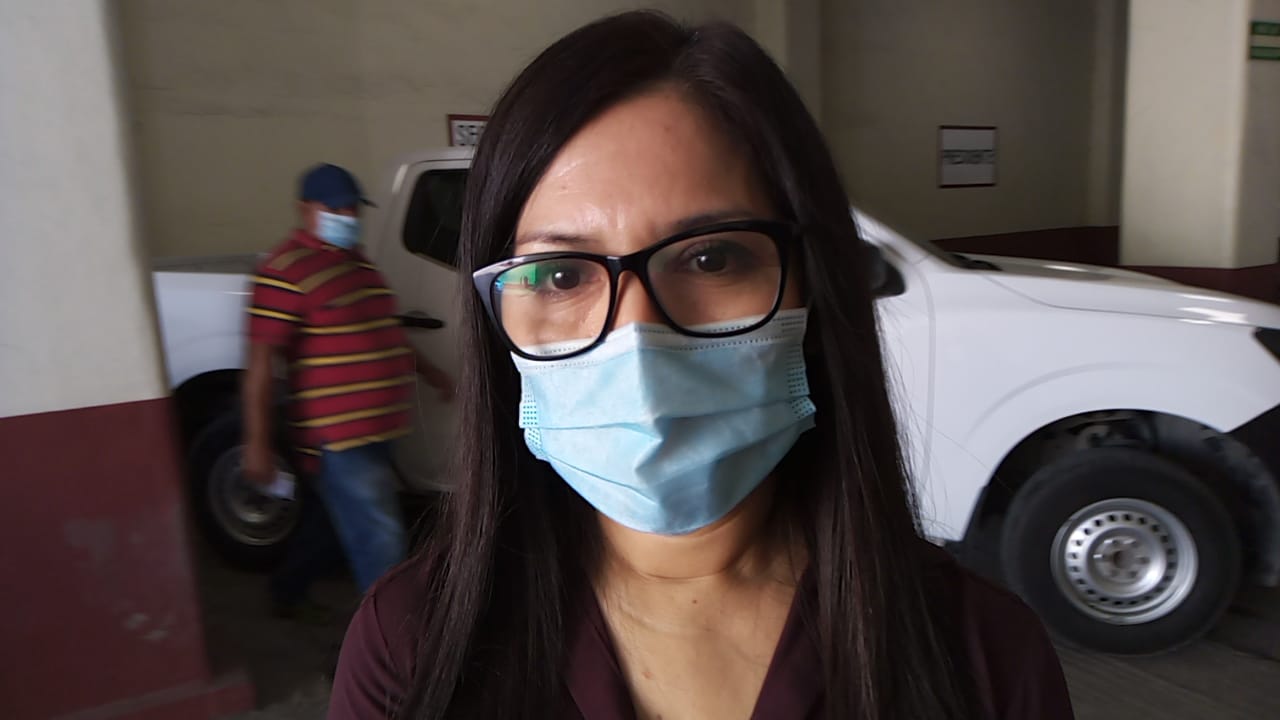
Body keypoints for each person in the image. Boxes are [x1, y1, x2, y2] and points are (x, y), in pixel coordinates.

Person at [331, 11, 1074, 720]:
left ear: (814, 288)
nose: (638, 339)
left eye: (712, 259)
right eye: (560, 275)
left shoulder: (985, 655)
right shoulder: (409, 644)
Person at [242, 163, 453, 619]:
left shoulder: (357, 263)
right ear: (305, 209)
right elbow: (260, 365)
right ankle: (394, 644)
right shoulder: (283, 270)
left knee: (330, 526)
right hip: (337, 437)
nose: (347, 216)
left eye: (353, 208)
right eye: (335, 208)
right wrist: (256, 443)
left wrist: (431, 372)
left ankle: (285, 590)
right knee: (382, 541)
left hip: (380, 428)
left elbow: (386, 333)